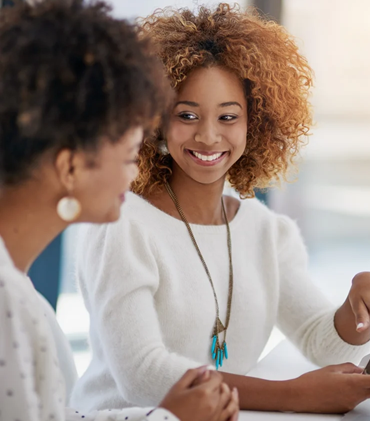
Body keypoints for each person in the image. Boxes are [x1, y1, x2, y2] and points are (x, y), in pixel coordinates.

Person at [71, 3, 370, 414]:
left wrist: (358, 301)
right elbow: (143, 375)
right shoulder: (121, 223)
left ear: (255, 123)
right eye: (186, 115)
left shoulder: (265, 231)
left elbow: (322, 342)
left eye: (228, 116)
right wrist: (294, 396)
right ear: (154, 120)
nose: (208, 136)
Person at [0, 1, 239, 420]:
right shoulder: (9, 303)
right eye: (130, 155)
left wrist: (164, 414)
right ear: (70, 167)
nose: (135, 175)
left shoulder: (18, 290)